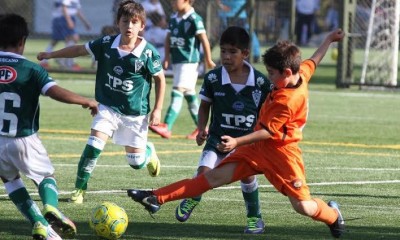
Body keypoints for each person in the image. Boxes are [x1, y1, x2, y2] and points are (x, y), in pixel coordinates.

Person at [127, 28, 346, 238]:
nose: (269, 78)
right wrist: (328, 39)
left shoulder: (286, 100)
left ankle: (333, 215)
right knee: (210, 177)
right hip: (257, 150)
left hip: (283, 154)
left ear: (287, 73)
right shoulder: (300, 73)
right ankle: (155, 196)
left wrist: (237, 141)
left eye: (271, 73)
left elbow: (267, 132)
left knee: (304, 207)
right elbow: (313, 61)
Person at [38, 0, 166, 204]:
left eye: (134, 22)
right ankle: (79, 190)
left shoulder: (148, 52)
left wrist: (158, 109)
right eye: (125, 21)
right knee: (93, 145)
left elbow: (160, 79)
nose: (129, 26)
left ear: (142, 25)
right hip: (106, 107)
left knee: (136, 162)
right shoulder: (106, 43)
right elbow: (80, 50)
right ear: (118, 23)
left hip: (135, 113)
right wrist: (50, 55)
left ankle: (148, 152)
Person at [0, 14, 98, 239]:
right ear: (22, 42)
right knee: (45, 177)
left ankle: (39, 223)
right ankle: (51, 207)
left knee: (10, 179)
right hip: (23, 139)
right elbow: (54, 92)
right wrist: (86, 100)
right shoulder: (31, 69)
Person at [174, 26, 273, 234]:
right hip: (217, 140)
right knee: (204, 173)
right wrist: (201, 128)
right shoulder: (213, 78)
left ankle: (255, 218)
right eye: (223, 51)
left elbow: (267, 114)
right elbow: (204, 106)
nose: (227, 57)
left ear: (245, 53)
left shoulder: (261, 82)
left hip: (246, 144)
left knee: (247, 178)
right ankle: (193, 197)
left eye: (232, 52)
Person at [149, 0, 216, 140]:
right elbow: (168, 38)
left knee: (178, 90)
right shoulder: (174, 17)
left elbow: (204, 39)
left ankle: (166, 126)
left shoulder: (194, 18)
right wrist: (166, 57)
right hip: (178, 62)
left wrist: (208, 59)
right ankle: (202, 128)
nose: (172, 2)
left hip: (189, 62)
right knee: (189, 94)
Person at [40, 0, 91, 71]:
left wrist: (85, 22)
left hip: (65, 18)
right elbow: (64, 7)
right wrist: (69, 20)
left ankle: (45, 61)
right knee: (73, 38)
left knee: (55, 41)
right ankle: (69, 63)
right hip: (63, 18)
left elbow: (77, 11)